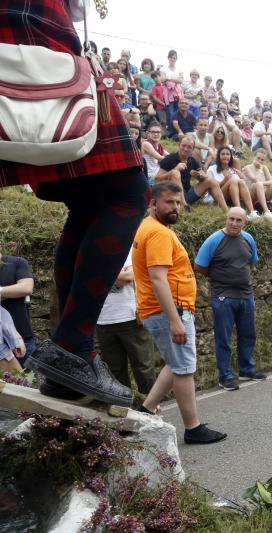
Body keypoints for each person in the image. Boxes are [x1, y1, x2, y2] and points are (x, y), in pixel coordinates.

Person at [7, 0, 148, 406]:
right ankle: (72, 348)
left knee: (90, 201)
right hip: (34, 44)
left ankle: (72, 358)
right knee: (126, 192)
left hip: (23, 42)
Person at [133, 182, 227, 444]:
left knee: (176, 364)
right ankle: (193, 428)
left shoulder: (150, 228)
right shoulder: (158, 233)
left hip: (164, 310)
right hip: (169, 311)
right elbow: (158, 278)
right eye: (169, 202)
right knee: (184, 368)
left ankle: (147, 409)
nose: (175, 207)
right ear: (153, 203)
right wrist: (175, 320)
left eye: (178, 202)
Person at [195, 208, 266, 392]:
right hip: (223, 296)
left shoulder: (248, 239)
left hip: (245, 294)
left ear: (244, 223)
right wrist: (218, 276)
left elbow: (252, 261)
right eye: (231, 219)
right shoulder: (214, 240)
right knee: (223, 338)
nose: (233, 223)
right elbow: (199, 265)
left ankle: (246, 369)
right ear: (226, 219)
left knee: (248, 334)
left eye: (238, 220)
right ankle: (225, 377)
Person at [96, 250, 156, 395]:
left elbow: (129, 276)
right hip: (102, 319)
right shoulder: (92, 249)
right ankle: (124, 406)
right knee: (114, 370)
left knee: (143, 365)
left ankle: (151, 405)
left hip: (130, 316)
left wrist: (100, 273)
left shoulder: (126, 248)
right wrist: (117, 273)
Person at [155, 135, 228, 211]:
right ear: (179, 145)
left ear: (192, 149)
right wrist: (175, 170)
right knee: (175, 173)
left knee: (211, 181)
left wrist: (199, 175)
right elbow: (157, 179)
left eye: (189, 147)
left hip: (187, 194)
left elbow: (204, 176)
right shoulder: (169, 159)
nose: (186, 149)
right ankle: (183, 206)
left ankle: (226, 210)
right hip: (171, 194)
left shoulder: (192, 160)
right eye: (183, 146)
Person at [206, 147, 260, 219]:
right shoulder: (212, 169)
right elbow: (211, 189)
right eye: (223, 154)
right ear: (218, 156)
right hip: (216, 197)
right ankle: (239, 210)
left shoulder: (233, 170)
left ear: (230, 156)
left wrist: (242, 177)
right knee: (233, 180)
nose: (225, 156)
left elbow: (241, 186)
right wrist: (225, 180)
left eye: (228, 154)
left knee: (240, 181)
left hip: (230, 198)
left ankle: (252, 212)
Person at [0, 251, 36, 359]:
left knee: (27, 375)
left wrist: (1, 291)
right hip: (1, 342)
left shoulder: (17, 262)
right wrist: (10, 292)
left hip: (23, 336)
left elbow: (26, 288)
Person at [242, 149, 272, 216]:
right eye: (258, 158)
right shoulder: (247, 167)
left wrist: (263, 183)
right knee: (258, 184)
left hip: (263, 193)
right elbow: (255, 179)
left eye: (262, 160)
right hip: (251, 194)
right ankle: (266, 211)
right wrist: (259, 171)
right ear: (253, 157)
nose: (260, 161)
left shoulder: (264, 168)